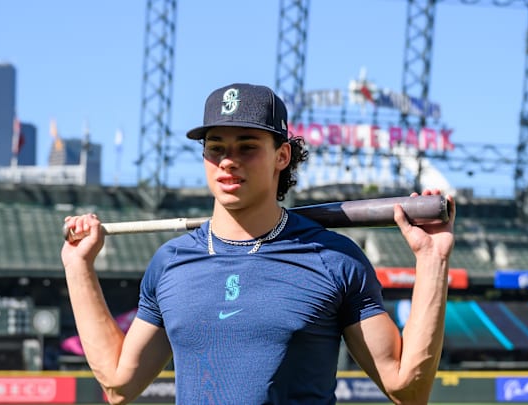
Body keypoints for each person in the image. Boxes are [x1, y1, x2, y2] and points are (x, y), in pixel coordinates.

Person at [61, 82, 455, 404]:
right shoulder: (170, 263)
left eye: (247, 146)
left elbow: (407, 388)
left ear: (282, 155)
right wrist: (78, 267)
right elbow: (118, 384)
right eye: (216, 147)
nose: (228, 161)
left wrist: (432, 260)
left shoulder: (334, 260)